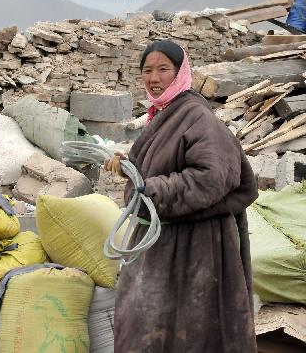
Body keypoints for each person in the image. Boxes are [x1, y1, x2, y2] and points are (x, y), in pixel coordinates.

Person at [104, 40, 258, 352]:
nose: (154, 78)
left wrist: (151, 187)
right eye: (147, 71)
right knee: (144, 326)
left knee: (191, 332)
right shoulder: (164, 114)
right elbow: (164, 166)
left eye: (163, 69)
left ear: (180, 73)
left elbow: (213, 177)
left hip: (197, 248)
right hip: (160, 243)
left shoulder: (197, 117)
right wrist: (129, 169)